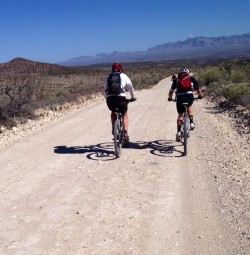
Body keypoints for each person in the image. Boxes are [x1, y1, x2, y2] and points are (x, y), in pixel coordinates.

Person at [104, 62, 136, 143]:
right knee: (124, 113)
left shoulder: (108, 77)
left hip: (110, 100)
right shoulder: (124, 76)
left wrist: (107, 98)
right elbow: (130, 87)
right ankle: (125, 132)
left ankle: (113, 129)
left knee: (113, 112)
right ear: (121, 69)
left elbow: (105, 90)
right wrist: (132, 97)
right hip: (121, 98)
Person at [168, 67, 203, 142]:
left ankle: (178, 132)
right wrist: (200, 96)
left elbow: (171, 91)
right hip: (189, 96)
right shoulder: (191, 78)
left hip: (180, 97)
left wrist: (170, 98)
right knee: (189, 106)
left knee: (180, 115)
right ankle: (191, 123)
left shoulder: (176, 80)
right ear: (188, 73)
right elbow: (198, 89)